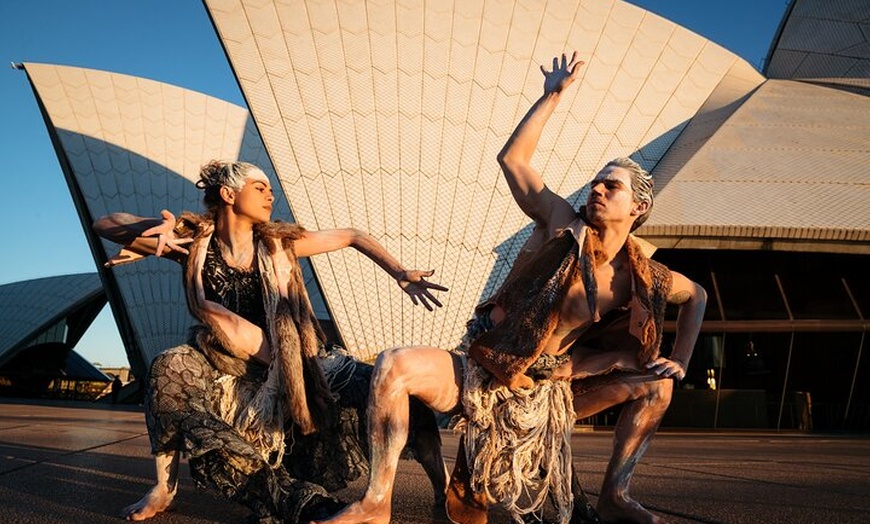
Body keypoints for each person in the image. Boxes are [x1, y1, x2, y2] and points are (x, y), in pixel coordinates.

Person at [315, 52, 706, 524]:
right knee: (395, 364)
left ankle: (616, 494)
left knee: (658, 386)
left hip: (550, 387)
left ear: (639, 207)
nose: (598, 190)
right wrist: (552, 96)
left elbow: (697, 296)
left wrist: (681, 358)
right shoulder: (561, 223)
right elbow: (513, 159)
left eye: (612, 186)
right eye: (597, 183)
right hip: (484, 369)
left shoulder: (641, 274)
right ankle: (376, 502)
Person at [93, 160, 449, 523]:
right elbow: (105, 224)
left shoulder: (281, 243)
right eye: (259, 187)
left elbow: (353, 235)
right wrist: (154, 228)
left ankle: (445, 491)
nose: (269, 194)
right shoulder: (193, 243)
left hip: (295, 361)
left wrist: (400, 272)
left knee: (400, 401)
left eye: (270, 189)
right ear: (229, 194)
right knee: (168, 368)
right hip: (229, 362)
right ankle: (163, 489)